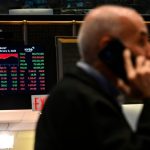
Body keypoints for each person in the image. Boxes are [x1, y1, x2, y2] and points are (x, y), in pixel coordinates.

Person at [34, 5, 150, 150]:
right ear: (109, 48)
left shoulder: (83, 91)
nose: (148, 52)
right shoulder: (75, 98)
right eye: (141, 42)